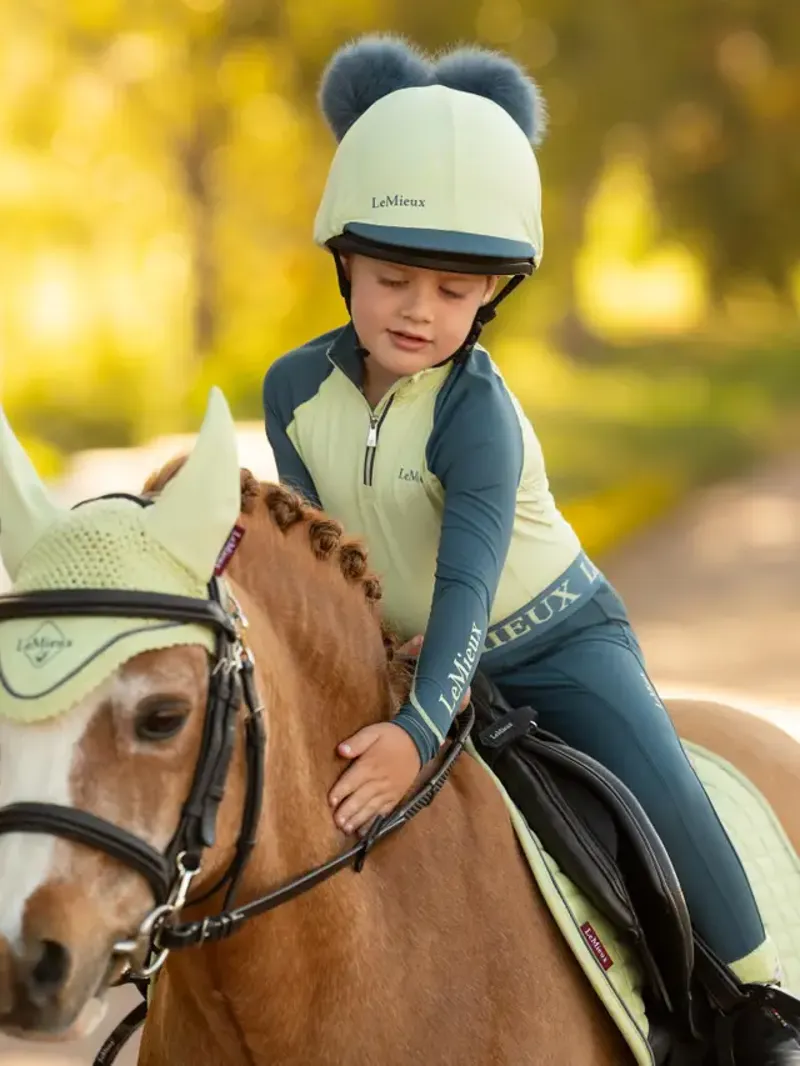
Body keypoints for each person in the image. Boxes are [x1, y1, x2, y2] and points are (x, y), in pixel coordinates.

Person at [263, 34, 799, 1061]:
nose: (419, 310)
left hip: (549, 639)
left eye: (455, 292)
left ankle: (752, 1003)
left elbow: (466, 577)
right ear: (343, 262)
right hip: (411, 652)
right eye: (392, 277)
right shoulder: (293, 389)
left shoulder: (477, 416)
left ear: (492, 296)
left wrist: (419, 730)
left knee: (663, 792)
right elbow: (319, 551)